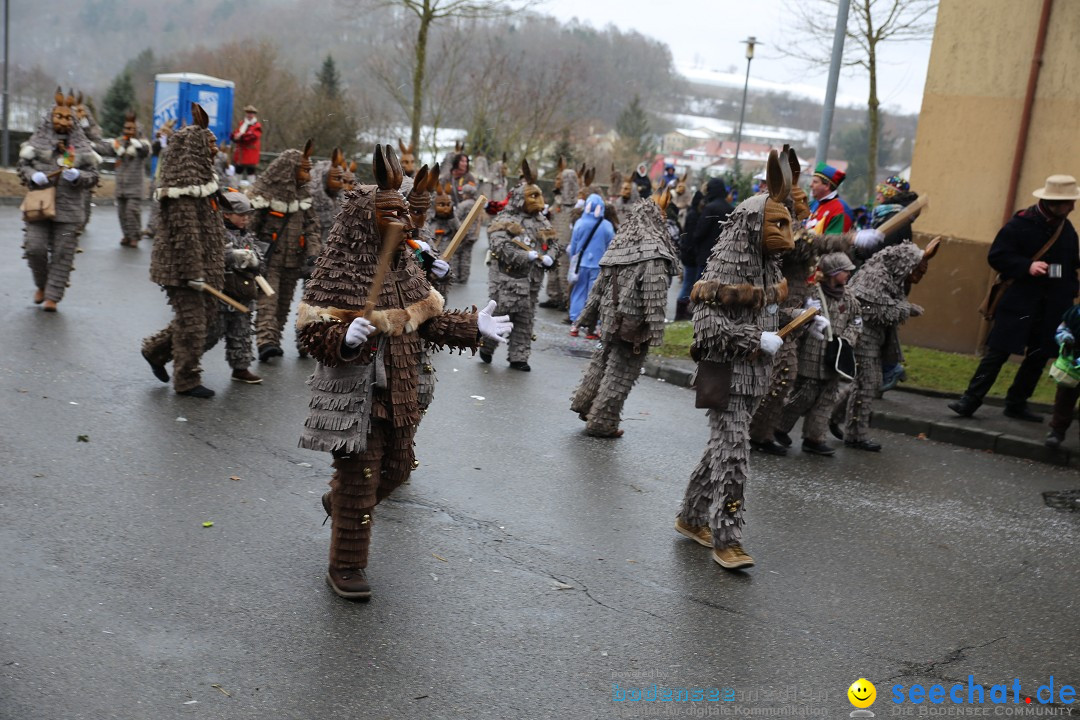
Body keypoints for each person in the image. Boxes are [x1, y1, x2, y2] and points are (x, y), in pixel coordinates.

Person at [295, 144, 511, 600]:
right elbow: (311, 334)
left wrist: (475, 326)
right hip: (359, 399)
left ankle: (341, 504)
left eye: (405, 214)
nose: (406, 222)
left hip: (403, 393)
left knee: (397, 468)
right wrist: (342, 337)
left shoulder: (407, 269)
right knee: (363, 477)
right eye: (392, 213)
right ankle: (346, 567)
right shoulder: (340, 270)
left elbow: (431, 322)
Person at [675, 149, 794, 571]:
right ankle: (728, 539)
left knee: (723, 450)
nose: (787, 234)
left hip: (755, 378)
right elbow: (707, 328)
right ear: (753, 225)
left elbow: (767, 312)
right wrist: (755, 338)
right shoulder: (723, 270)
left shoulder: (763, 269)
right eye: (778, 224)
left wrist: (795, 320)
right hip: (726, 377)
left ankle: (691, 517)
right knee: (735, 453)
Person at [948, 175, 1080, 422]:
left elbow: (1067, 266)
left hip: (1052, 306)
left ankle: (1016, 403)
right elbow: (997, 257)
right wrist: (1027, 266)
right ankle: (969, 400)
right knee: (997, 353)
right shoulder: (1020, 224)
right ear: (1053, 202)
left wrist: (1061, 281)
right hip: (1019, 302)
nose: (1073, 207)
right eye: (1068, 202)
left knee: (1038, 357)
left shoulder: (1067, 229)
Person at [570, 193, 678, 437]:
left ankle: (584, 402)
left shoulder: (620, 246)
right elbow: (655, 299)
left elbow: (599, 286)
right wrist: (655, 332)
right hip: (632, 324)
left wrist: (586, 316)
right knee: (620, 374)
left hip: (609, 318)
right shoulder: (655, 253)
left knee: (601, 362)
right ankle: (602, 423)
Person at [140, 103, 225, 398]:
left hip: (205, 266)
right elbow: (186, 236)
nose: (216, 149)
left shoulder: (206, 181)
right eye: (211, 144)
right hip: (182, 270)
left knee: (205, 317)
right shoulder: (181, 189)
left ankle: (154, 350)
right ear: (197, 147)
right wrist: (194, 274)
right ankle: (186, 380)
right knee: (192, 324)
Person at [18, 88, 100, 312]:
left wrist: (78, 176)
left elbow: (94, 176)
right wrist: (32, 175)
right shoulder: (36, 143)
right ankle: (41, 285)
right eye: (59, 116)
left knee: (63, 252)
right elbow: (23, 165)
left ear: (73, 120)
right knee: (35, 248)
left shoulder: (82, 149)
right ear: (51, 117)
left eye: (67, 117)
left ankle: (53, 295)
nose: (63, 120)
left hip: (69, 213)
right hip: (39, 207)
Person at [773, 253, 861, 456]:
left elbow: (857, 322)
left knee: (827, 398)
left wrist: (847, 339)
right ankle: (779, 427)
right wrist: (810, 322)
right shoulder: (813, 294)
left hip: (835, 356)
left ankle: (814, 438)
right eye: (845, 271)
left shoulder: (849, 298)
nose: (849, 274)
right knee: (805, 394)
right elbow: (800, 319)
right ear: (833, 273)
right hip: (812, 354)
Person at [845, 243, 928, 450]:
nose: (919, 278)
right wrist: (905, 309)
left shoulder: (894, 277)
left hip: (876, 338)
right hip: (862, 335)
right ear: (907, 264)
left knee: (866, 384)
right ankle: (855, 435)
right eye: (918, 271)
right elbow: (872, 309)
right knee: (867, 383)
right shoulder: (875, 275)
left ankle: (838, 420)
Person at [481, 160, 561, 371]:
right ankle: (486, 346)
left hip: (532, 281)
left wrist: (550, 256)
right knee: (501, 314)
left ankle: (519, 356)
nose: (539, 201)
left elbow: (554, 244)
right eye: (533, 196)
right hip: (507, 280)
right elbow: (498, 244)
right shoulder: (506, 218)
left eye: (539, 195)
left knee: (525, 318)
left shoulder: (542, 222)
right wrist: (526, 256)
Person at [248, 141, 321, 362]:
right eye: (305, 170)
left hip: (293, 261)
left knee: (283, 304)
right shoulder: (265, 196)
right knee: (267, 302)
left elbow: (312, 228)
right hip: (268, 260)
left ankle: (274, 339)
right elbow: (251, 226)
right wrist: (249, 253)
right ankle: (265, 342)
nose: (308, 176)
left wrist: (313, 253)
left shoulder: (305, 197)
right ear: (291, 169)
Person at [214, 190, 265, 385]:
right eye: (241, 215)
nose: (246, 219)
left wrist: (254, 260)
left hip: (244, 292)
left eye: (248, 215)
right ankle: (188, 364)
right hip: (223, 293)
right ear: (226, 214)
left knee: (242, 331)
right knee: (213, 331)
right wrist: (233, 256)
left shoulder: (247, 236)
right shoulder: (218, 232)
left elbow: (260, 258)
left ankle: (240, 368)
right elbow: (217, 256)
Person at [676, 177, 733, 322]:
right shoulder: (730, 208)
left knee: (701, 289)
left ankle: (695, 317)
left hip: (706, 255)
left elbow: (699, 233)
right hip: (724, 257)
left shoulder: (710, 207)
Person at [567, 193, 616, 338]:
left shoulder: (579, 223)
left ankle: (575, 323)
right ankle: (592, 327)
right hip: (598, 266)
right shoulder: (607, 226)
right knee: (595, 297)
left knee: (578, 292)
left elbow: (574, 246)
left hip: (580, 265)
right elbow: (611, 246)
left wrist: (573, 262)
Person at [106, 110, 150, 248]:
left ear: (136, 129)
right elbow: (108, 149)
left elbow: (146, 151)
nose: (128, 130)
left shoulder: (141, 144)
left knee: (132, 212)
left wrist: (136, 144)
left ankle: (135, 236)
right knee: (122, 213)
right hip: (121, 185)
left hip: (135, 186)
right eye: (126, 128)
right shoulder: (119, 142)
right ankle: (126, 235)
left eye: (131, 128)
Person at [1045, 304, 1080, 448]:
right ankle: (1057, 431)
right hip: (1072, 365)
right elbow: (1063, 328)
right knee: (1064, 398)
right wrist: (1065, 337)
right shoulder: (1076, 312)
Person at [807, 163, 852, 235]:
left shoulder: (840, 210)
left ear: (827, 186)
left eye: (815, 182)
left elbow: (834, 243)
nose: (810, 185)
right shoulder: (813, 204)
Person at [230, 105, 262, 183]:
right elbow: (236, 133)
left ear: (254, 114)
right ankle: (235, 188)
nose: (249, 115)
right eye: (248, 113)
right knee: (238, 170)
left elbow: (253, 136)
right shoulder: (242, 123)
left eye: (251, 113)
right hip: (241, 152)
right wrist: (235, 137)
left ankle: (252, 190)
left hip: (250, 153)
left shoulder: (257, 126)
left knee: (250, 172)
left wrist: (241, 137)